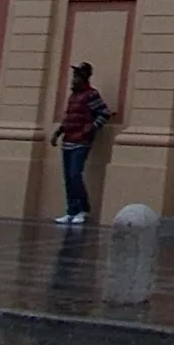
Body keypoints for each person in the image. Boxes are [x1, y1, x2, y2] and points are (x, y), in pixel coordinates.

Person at [49, 62, 110, 225]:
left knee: (75, 175)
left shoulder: (91, 95)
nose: (73, 79)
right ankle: (71, 211)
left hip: (81, 142)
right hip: (68, 141)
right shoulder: (73, 96)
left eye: (76, 76)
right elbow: (69, 117)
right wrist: (58, 132)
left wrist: (91, 129)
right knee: (68, 178)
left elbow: (104, 114)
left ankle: (83, 210)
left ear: (83, 78)